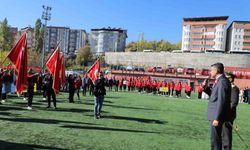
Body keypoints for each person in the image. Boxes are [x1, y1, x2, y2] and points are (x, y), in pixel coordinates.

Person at [203, 63, 231, 150]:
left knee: (215, 141)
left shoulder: (222, 81)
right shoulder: (219, 81)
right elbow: (214, 96)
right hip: (214, 115)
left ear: (216, 71)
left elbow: (221, 100)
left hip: (216, 116)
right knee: (214, 140)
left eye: (211, 70)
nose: (210, 72)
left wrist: (217, 118)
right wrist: (205, 87)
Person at [222, 73, 240, 149]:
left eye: (226, 78)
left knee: (226, 135)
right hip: (222, 114)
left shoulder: (234, 89)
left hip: (228, 115)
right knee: (221, 134)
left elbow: (233, 103)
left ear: (230, 79)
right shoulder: (227, 88)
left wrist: (226, 112)